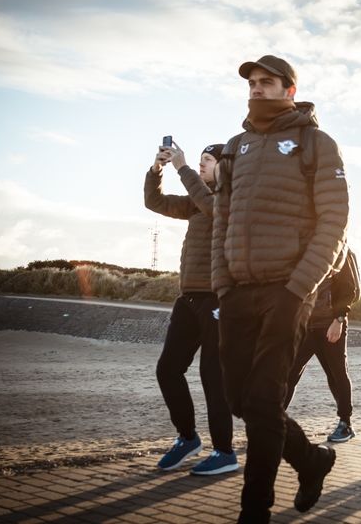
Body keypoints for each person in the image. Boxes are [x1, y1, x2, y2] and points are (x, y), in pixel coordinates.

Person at [212, 55, 350, 523]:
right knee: (240, 402)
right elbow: (221, 220)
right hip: (237, 291)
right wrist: (222, 283)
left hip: (287, 291)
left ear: (290, 89)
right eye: (251, 82)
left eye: (266, 82)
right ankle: (312, 461)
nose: (255, 88)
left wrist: (299, 288)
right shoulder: (236, 146)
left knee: (265, 402)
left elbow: (334, 222)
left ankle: (255, 513)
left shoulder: (316, 143)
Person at [144, 141, 238, 475]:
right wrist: (157, 170)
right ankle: (187, 438)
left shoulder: (229, 199)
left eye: (207, 161)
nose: (200, 165)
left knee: (213, 378)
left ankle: (225, 453)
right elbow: (153, 201)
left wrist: (182, 168)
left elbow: (213, 208)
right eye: (197, 162)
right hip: (188, 299)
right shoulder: (195, 201)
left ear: (224, 166)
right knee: (167, 369)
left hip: (217, 299)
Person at [284, 247, 361, 443]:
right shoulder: (303, 246)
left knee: (336, 375)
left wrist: (339, 319)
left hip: (330, 325)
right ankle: (274, 422)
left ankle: (346, 424)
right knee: (288, 373)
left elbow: (348, 288)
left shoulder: (339, 247)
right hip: (305, 325)